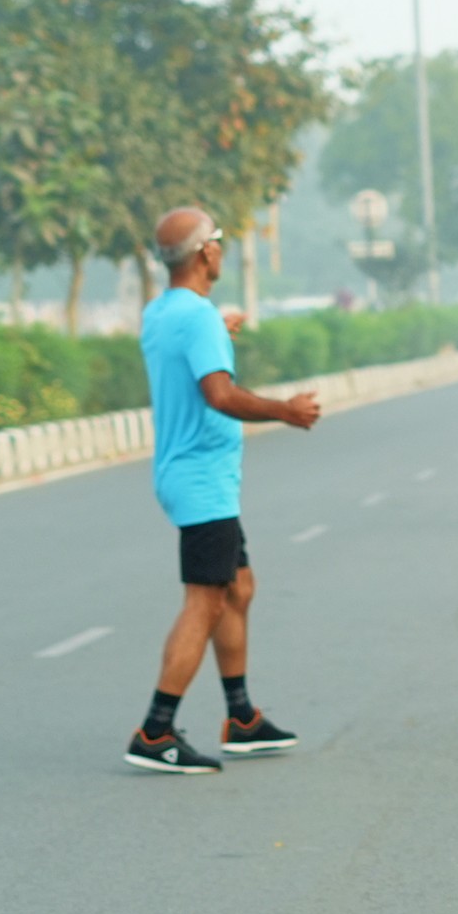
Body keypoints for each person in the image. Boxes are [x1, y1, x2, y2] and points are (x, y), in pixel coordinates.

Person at [125, 206, 323, 775]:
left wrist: (217, 332)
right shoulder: (198, 318)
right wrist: (284, 411)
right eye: (218, 240)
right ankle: (155, 731)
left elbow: (189, 354)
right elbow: (219, 394)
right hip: (201, 481)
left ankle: (241, 718)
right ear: (206, 252)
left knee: (238, 588)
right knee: (206, 600)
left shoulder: (163, 312)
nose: (222, 250)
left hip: (189, 475)